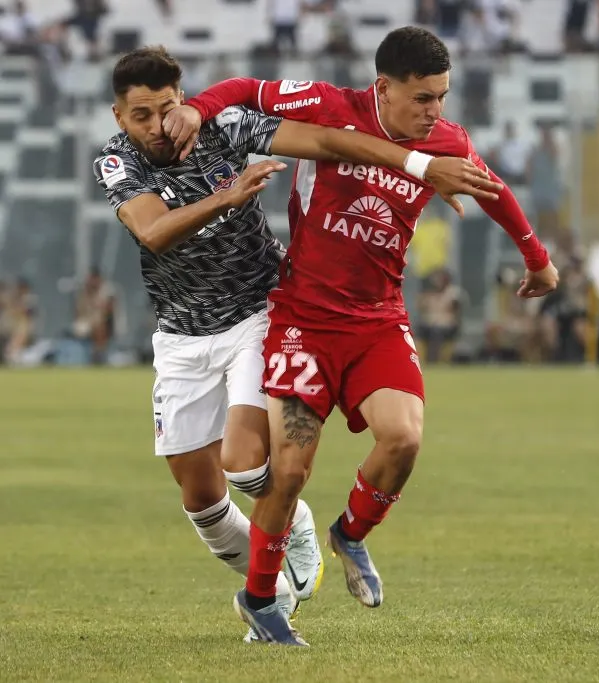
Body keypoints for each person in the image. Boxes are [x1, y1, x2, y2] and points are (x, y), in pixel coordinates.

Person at [166, 26, 560, 646]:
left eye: (443, 96)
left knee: (403, 439)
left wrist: (537, 259)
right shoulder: (328, 106)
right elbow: (248, 88)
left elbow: (494, 190)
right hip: (304, 322)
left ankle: (349, 534)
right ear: (384, 88)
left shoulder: (448, 140)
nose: (435, 111)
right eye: (423, 98)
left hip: (378, 321)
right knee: (288, 471)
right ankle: (261, 600)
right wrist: (196, 107)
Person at [94, 46, 502, 643]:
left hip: (261, 311)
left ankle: (285, 537)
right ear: (119, 116)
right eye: (141, 116)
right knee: (202, 502)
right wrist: (228, 196)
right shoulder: (115, 160)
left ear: (183, 99)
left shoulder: (222, 126)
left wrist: (419, 164)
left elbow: (331, 142)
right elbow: (152, 230)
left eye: (167, 108)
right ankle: (278, 576)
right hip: (180, 333)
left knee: (247, 463)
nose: (159, 126)